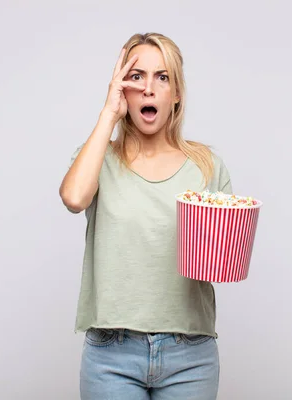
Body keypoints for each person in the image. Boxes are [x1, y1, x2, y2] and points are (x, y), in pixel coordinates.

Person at [59, 32, 233, 400]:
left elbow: (222, 259)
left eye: (163, 77)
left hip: (191, 356)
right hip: (112, 355)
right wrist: (108, 113)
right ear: (123, 88)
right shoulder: (99, 158)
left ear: (177, 93)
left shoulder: (207, 167)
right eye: (137, 76)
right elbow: (74, 198)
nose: (149, 88)